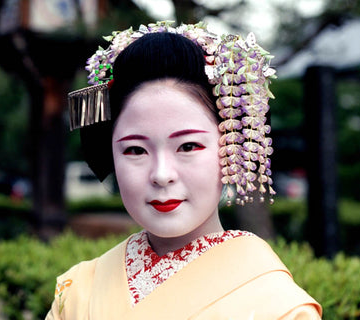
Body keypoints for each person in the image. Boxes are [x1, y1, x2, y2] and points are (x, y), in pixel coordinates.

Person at [46, 21, 322, 320]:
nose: (162, 174)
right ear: (110, 154)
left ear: (231, 147)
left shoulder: (277, 304)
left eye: (188, 146)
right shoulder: (77, 292)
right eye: (135, 150)